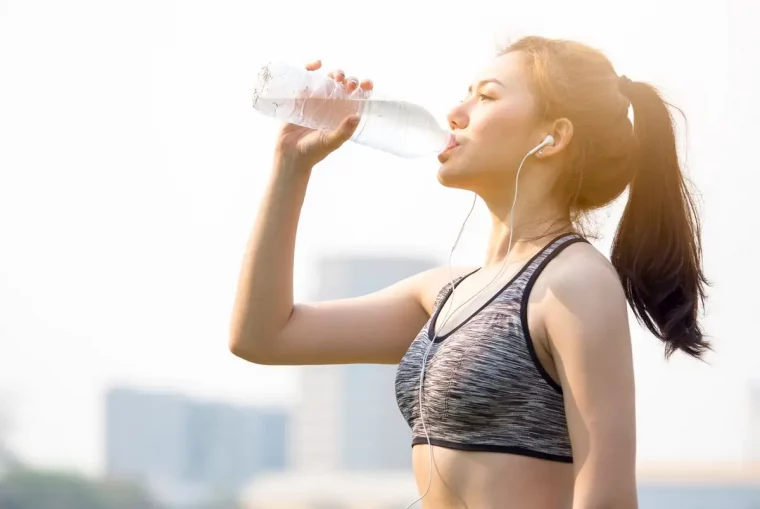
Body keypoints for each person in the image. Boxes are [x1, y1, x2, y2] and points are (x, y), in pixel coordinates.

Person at [229, 35, 708, 509]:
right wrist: (291, 167)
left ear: (554, 137)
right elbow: (263, 336)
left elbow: (607, 498)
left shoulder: (575, 282)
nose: (456, 113)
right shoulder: (445, 292)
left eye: (487, 96)